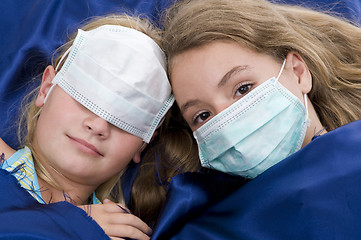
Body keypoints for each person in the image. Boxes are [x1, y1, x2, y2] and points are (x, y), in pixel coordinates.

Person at [150, 0, 361, 239]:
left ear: (298, 71)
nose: (227, 124)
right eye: (203, 116)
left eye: (243, 89)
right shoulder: (206, 229)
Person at [0, 13, 174, 240]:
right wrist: (70, 222)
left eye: (127, 116)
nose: (98, 125)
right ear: (47, 88)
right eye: (85, 95)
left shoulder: (120, 232)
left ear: (143, 143)